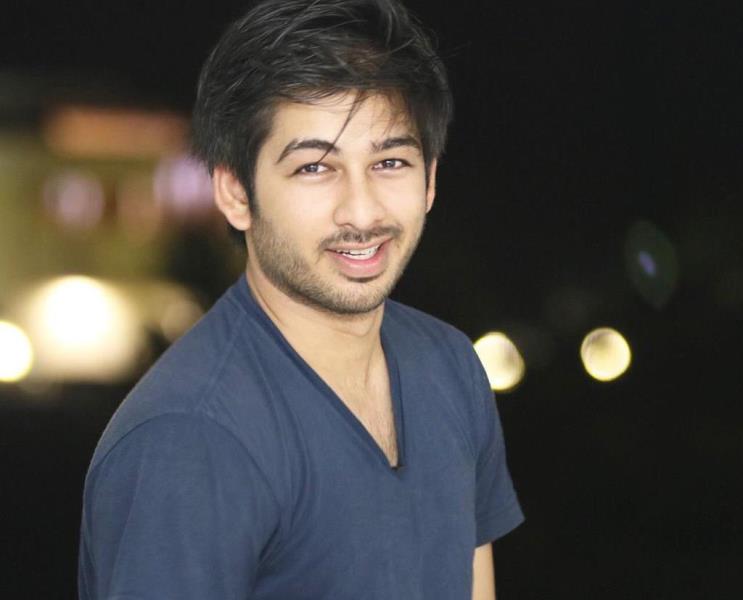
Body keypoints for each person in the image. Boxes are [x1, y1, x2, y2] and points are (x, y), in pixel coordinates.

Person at [78, 0, 524, 598]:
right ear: (236, 193)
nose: (361, 212)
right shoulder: (187, 440)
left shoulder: (450, 367)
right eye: (315, 168)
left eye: (390, 161)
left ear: (430, 181)